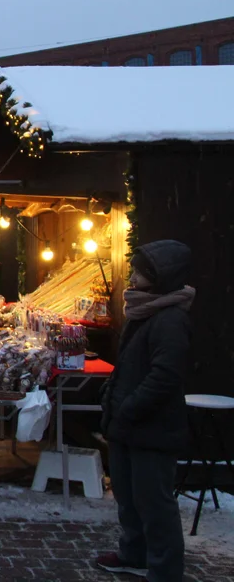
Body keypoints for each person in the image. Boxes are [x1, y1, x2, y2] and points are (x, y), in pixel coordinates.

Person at [97, 240, 194, 582]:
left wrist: (129, 405)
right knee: (128, 496)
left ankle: (165, 571)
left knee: (155, 502)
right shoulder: (144, 311)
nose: (133, 276)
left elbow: (165, 375)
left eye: (140, 271)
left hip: (151, 427)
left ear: (159, 277)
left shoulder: (169, 319)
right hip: (127, 423)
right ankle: (134, 553)